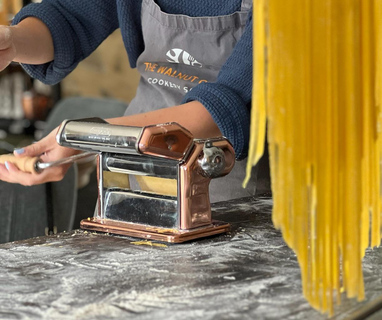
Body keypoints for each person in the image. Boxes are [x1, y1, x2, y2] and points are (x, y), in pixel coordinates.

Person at [0, 0, 270, 205]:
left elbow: (224, 109)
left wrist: (97, 136)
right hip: (132, 165)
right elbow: (72, 16)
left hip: (230, 177)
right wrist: (12, 42)